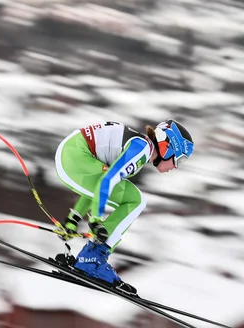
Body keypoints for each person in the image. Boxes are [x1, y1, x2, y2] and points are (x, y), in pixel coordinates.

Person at [54, 119, 195, 294]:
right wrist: (96, 219)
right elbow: (106, 181)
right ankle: (93, 258)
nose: (175, 167)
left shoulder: (140, 146)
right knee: (136, 201)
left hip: (71, 157)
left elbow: (96, 184)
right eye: (179, 160)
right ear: (167, 147)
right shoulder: (141, 150)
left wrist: (73, 219)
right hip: (75, 160)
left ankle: (92, 257)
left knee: (127, 194)